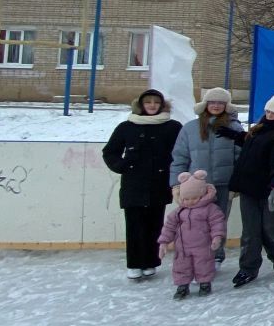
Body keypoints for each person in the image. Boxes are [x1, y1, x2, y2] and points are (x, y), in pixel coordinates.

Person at [102, 88, 182, 280]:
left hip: (159, 183)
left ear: (162, 105)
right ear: (141, 105)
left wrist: (176, 173)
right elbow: (110, 152)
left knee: (155, 224)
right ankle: (134, 263)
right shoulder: (127, 127)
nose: (152, 106)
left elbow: (181, 152)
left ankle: (151, 262)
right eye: (148, 102)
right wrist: (123, 166)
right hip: (133, 185)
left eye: (156, 102)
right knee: (134, 225)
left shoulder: (172, 127)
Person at [226, 92, 274, 286]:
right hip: (249, 189)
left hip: (270, 192)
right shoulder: (259, 130)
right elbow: (248, 151)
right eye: (268, 110)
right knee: (250, 231)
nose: (269, 113)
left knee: (271, 229)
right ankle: (248, 268)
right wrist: (232, 134)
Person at [169, 87, 242, 267]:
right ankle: (197, 256)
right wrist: (176, 184)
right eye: (212, 102)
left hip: (223, 185)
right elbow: (180, 157)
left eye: (220, 103)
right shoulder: (190, 128)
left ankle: (216, 254)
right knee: (195, 223)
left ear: (226, 106)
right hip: (195, 187)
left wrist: (237, 185)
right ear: (205, 105)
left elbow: (241, 158)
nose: (216, 106)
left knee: (218, 221)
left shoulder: (234, 128)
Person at [158, 170, 227, 299]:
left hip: (203, 245)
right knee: (181, 266)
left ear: (202, 194)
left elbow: (217, 222)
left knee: (204, 264)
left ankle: (205, 283)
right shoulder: (179, 211)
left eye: (194, 198)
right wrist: (164, 242)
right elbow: (169, 226)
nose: (190, 202)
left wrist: (217, 237)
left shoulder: (210, 209)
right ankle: (182, 286)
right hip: (183, 247)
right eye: (186, 199)